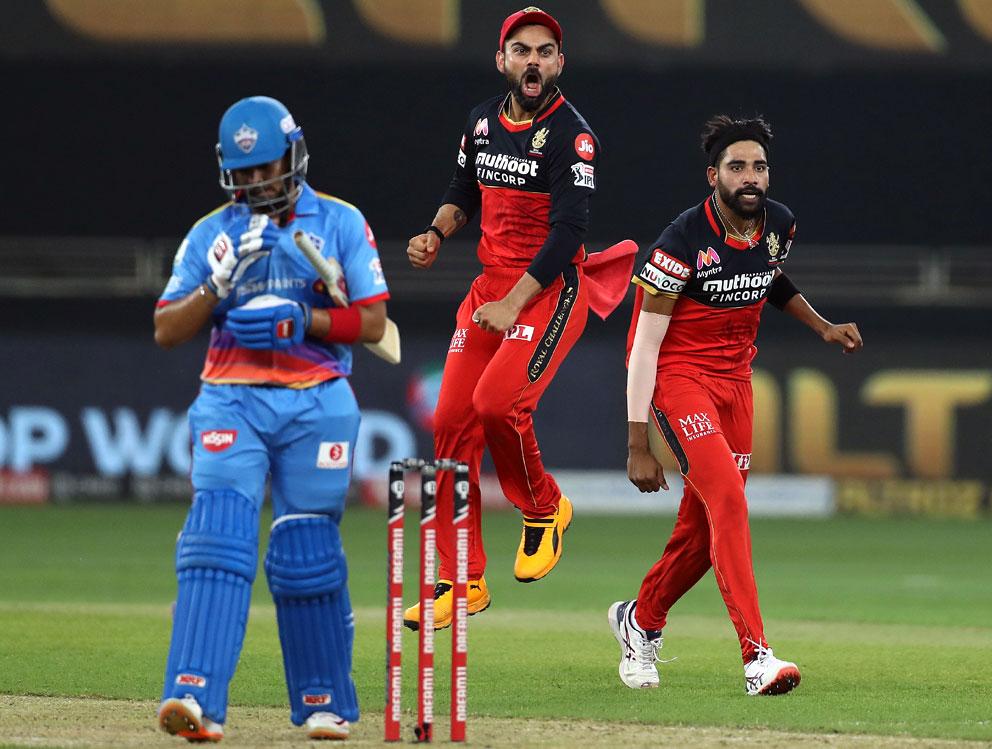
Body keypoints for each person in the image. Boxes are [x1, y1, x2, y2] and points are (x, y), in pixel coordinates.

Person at [153, 95, 390, 741]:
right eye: (247, 172)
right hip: (232, 396)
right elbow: (166, 328)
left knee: (305, 550)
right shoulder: (212, 233)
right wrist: (215, 287)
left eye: (268, 167)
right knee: (217, 538)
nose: (259, 181)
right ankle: (193, 697)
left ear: (293, 155)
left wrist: (302, 320)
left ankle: (324, 702)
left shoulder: (339, 222)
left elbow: (372, 324)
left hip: (317, 398)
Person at [610, 115, 863, 695]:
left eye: (759, 167)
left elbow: (768, 279)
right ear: (713, 176)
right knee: (727, 501)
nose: (750, 177)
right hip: (679, 381)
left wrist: (821, 325)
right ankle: (757, 657)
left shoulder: (778, 224)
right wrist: (636, 442)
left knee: (704, 529)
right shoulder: (680, 242)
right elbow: (644, 346)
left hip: (736, 385)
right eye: (737, 167)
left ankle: (640, 621)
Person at [404, 6, 608, 630]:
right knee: (449, 425)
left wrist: (513, 301)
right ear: (502, 60)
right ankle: (459, 581)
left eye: (545, 51)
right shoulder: (482, 122)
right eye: (521, 50)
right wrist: (438, 232)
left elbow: (569, 229)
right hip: (488, 291)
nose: (533, 60)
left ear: (559, 64)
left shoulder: (573, 135)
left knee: (497, 406)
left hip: (547, 291)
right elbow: (464, 187)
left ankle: (545, 507)